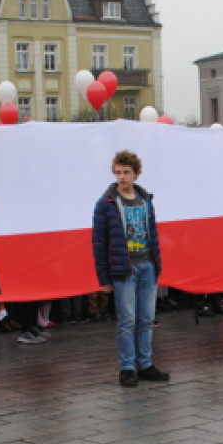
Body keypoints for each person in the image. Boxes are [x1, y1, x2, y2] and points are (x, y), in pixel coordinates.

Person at [92, 150, 169, 387]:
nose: (121, 177)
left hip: (147, 265)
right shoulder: (106, 203)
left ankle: (145, 363)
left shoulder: (145, 200)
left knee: (146, 319)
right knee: (127, 320)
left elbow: (152, 234)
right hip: (124, 269)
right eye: (118, 172)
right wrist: (104, 276)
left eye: (126, 172)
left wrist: (157, 264)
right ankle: (127, 367)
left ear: (137, 174)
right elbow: (99, 242)